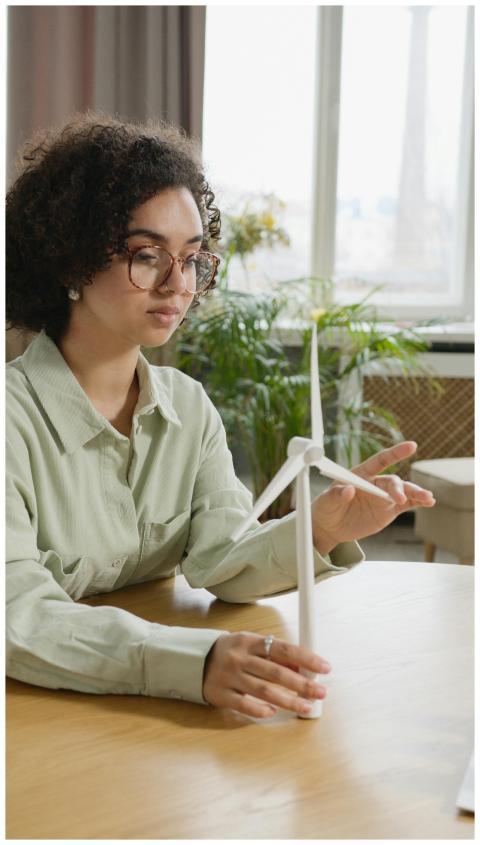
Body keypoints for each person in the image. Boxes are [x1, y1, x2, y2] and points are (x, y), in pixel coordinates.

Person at [6, 112, 435, 720]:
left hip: (138, 717)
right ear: (72, 262)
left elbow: (222, 559)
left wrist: (322, 528)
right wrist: (192, 661)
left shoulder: (188, 407)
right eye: (147, 255)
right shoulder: (10, 421)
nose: (178, 284)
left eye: (193, 258)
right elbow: (14, 614)